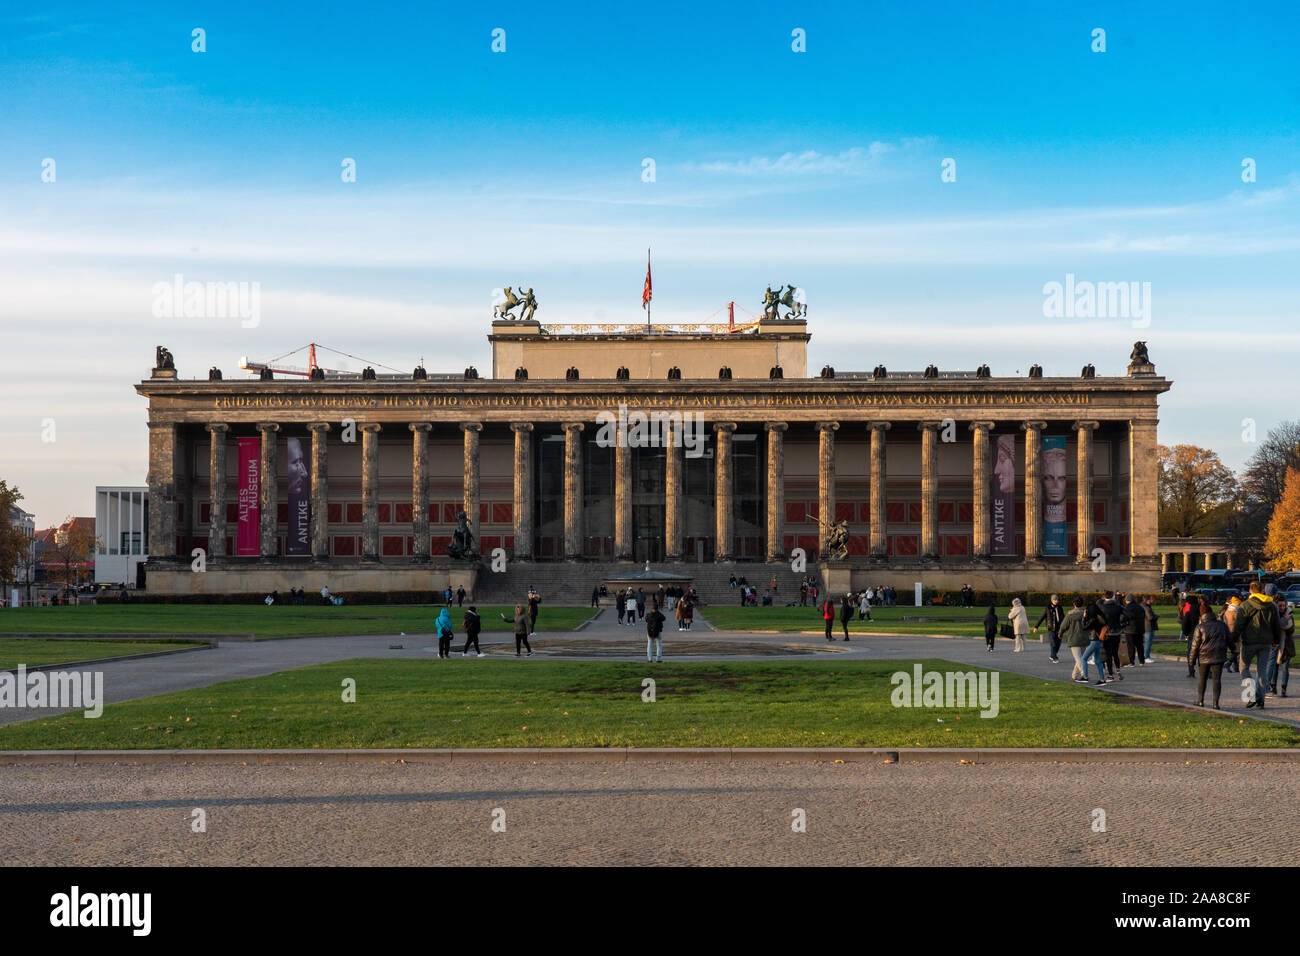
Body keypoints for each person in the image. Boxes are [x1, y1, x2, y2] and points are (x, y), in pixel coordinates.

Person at [1232, 581, 1281, 708]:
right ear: (1262, 591)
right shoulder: (1271, 605)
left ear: (1251, 591)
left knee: (1244, 668)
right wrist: (1276, 641)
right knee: (1262, 670)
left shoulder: (1246, 605)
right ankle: (1261, 698)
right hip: (1266, 642)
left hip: (1250, 641)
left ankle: (1250, 695)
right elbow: (1276, 626)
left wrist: (1233, 639)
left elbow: (1239, 625)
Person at [1188, 604, 1229, 709]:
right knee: (1217, 680)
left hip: (1203, 656)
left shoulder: (1200, 627)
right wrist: (1233, 650)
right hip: (1218, 655)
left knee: (1202, 679)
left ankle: (1200, 700)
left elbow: (1195, 646)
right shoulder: (1221, 625)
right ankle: (1216, 703)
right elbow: (1229, 639)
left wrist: (1191, 661)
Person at [1081, 598, 1108, 684]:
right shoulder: (1101, 617)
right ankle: (1102, 679)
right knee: (1098, 661)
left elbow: (1084, 627)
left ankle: (1085, 677)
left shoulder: (1093, 619)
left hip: (1094, 641)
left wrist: (1084, 617)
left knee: (1084, 658)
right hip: (1100, 640)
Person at [1061, 598, 1090, 681]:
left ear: (1074, 604)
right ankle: (1074, 675)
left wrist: (1060, 632)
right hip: (1084, 638)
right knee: (1080, 658)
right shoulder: (1085, 613)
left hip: (1073, 638)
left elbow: (1064, 626)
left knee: (1079, 659)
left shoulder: (1070, 614)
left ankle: (1084, 675)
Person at [1273, 597, 1294, 697]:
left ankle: (1283, 688)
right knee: (1274, 668)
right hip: (1275, 644)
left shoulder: (1289, 614)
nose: (1282, 607)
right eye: (1280, 605)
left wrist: (1286, 623)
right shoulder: (1274, 615)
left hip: (1287, 645)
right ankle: (1273, 687)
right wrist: (1284, 621)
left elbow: (1291, 630)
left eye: (1284, 605)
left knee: (1285, 668)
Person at [1033, 595, 1064, 663]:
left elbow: (1063, 617)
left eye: (1057, 600)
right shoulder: (1047, 608)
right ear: (1052, 600)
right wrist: (1036, 627)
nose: (1056, 601)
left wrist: (1064, 626)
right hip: (1051, 628)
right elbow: (1041, 617)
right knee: (1053, 643)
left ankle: (1052, 655)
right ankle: (1055, 658)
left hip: (1059, 629)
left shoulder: (1060, 607)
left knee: (1058, 643)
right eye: (1055, 600)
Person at [1121, 594, 1145, 667]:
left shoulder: (1126, 608)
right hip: (1139, 629)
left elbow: (1123, 618)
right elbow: (1143, 616)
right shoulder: (1140, 607)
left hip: (1129, 629)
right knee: (1139, 645)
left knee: (1131, 646)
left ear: (1127, 600)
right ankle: (1141, 661)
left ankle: (1131, 662)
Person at [1178, 591, 1198, 677]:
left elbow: (1184, 625)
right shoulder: (1201, 611)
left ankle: (1191, 671)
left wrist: (1186, 633)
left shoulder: (1188, 613)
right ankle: (1207, 671)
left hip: (1191, 635)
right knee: (1202, 654)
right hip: (1202, 635)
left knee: (1190, 654)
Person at [1221, 595, 1241, 672]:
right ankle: (1228, 663)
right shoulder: (1235, 612)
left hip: (1227, 632)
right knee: (1237, 651)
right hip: (1235, 633)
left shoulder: (1227, 611)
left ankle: (1235, 668)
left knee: (1233, 650)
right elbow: (1239, 623)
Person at [1142, 595, 1159, 663]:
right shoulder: (1146, 607)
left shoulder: (1144, 606)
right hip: (1148, 627)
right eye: (1151, 599)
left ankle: (1146, 656)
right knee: (1148, 642)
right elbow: (1150, 617)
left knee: (1147, 642)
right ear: (1148, 600)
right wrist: (1156, 616)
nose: (1153, 601)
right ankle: (1146, 657)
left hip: (1145, 626)